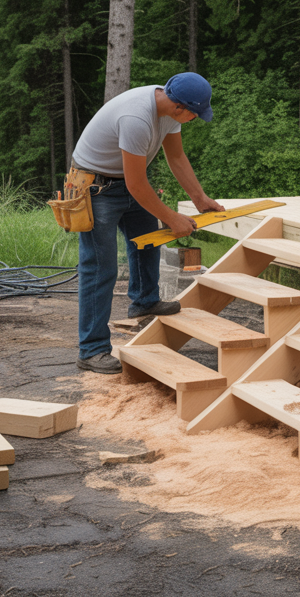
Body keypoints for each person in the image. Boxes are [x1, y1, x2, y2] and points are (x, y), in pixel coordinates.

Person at [68, 73, 224, 374]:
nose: (195, 119)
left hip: (124, 181)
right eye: (195, 114)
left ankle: (145, 301)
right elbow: (137, 184)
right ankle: (91, 350)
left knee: (147, 243)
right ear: (181, 107)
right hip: (95, 188)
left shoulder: (170, 110)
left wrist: (200, 198)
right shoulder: (137, 118)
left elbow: (176, 156)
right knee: (100, 268)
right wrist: (173, 218)